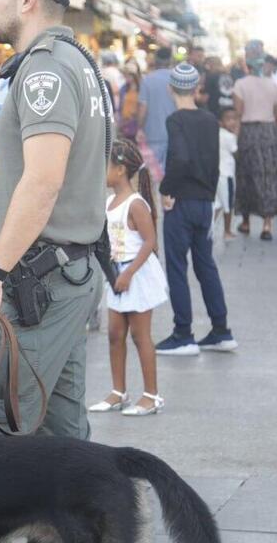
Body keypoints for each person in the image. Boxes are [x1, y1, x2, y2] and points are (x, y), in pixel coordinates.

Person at [0, 0, 108, 438]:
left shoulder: (45, 68)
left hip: (34, 286)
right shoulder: (77, 61)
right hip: (62, 276)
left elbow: (43, 181)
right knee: (61, 442)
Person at [156, 63, 237, 356]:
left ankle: (183, 334)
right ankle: (221, 329)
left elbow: (181, 159)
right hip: (204, 201)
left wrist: (166, 190)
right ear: (196, 88)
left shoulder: (176, 120)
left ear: (171, 89)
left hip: (182, 203)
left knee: (177, 267)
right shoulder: (209, 119)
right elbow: (212, 162)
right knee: (206, 266)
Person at [88, 139, 167, 416]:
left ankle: (151, 395)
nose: (102, 172)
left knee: (140, 335)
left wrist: (130, 273)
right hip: (117, 275)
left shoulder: (136, 204)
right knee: (114, 334)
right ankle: (118, 392)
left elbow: (150, 241)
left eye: (105, 167)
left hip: (136, 275)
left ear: (120, 170)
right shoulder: (110, 201)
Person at [233, 55, 277, 240]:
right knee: (268, 177)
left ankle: (245, 222)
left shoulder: (240, 84)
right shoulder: (272, 85)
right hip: (268, 133)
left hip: (248, 133)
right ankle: (267, 225)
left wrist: (234, 141)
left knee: (246, 176)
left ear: (247, 65)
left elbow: (238, 114)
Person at [138, 47, 177, 170]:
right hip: (175, 133)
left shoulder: (147, 80)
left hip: (153, 134)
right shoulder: (176, 78)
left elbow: (143, 108)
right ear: (170, 60)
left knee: (154, 177)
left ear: (155, 60)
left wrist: (140, 128)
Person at [216, 107, 239, 240]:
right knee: (228, 204)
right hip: (227, 174)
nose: (232, 122)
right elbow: (236, 153)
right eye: (228, 119)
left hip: (218, 174)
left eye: (234, 119)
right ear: (221, 122)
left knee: (218, 203)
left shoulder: (217, 133)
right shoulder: (230, 137)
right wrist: (236, 134)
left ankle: (210, 227)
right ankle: (227, 231)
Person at [118, 61, 141, 140]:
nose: (126, 77)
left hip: (136, 125)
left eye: (128, 75)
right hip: (125, 126)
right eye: (125, 74)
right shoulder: (123, 88)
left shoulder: (141, 88)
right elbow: (120, 107)